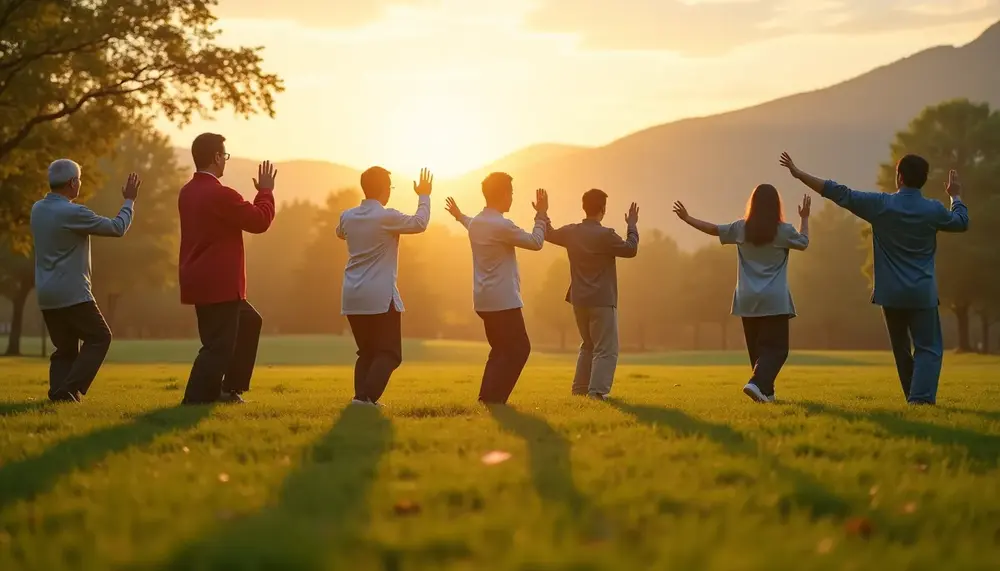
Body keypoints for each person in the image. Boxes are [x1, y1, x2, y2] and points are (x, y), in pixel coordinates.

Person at [780, 152, 968, 405]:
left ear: (899, 177)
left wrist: (799, 174)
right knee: (928, 348)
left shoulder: (880, 205)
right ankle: (920, 399)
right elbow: (961, 222)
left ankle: (915, 398)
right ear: (923, 179)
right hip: (922, 292)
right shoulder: (933, 209)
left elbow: (839, 193)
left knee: (901, 349)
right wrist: (955, 195)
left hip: (890, 293)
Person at [673, 185, 810, 403]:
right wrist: (805, 218)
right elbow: (804, 243)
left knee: (757, 350)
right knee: (777, 349)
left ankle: (767, 394)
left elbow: (713, 229)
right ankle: (757, 384)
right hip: (774, 299)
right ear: (776, 205)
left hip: (747, 298)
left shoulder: (741, 228)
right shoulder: (782, 230)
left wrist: (688, 218)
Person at [178, 133, 277, 405]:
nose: (226, 161)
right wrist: (265, 191)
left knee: (248, 322)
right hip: (220, 283)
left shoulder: (187, 192)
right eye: (225, 155)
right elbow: (259, 221)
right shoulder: (220, 194)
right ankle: (196, 399)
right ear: (217, 157)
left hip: (198, 278)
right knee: (217, 346)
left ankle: (230, 389)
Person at [30, 159, 140, 402]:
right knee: (100, 337)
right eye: (79, 179)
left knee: (65, 349)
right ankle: (69, 389)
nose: (80, 183)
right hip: (72, 292)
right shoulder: (73, 212)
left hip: (46, 294)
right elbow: (117, 227)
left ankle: (59, 395)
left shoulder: (37, 209)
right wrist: (129, 201)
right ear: (72, 183)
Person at [445, 173, 548, 404]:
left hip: (483, 300)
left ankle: (487, 399)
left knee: (500, 350)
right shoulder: (502, 225)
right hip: (503, 300)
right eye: (510, 193)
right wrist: (541, 215)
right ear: (502, 194)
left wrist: (459, 215)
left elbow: (468, 222)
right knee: (520, 348)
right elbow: (536, 242)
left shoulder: (478, 223)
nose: (512, 197)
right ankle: (495, 400)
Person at [337, 167, 433, 406]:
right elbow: (420, 223)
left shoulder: (347, 216)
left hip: (352, 294)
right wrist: (424, 196)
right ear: (382, 189)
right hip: (379, 295)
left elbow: (340, 233)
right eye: (389, 187)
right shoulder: (386, 217)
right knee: (390, 353)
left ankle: (361, 399)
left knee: (367, 352)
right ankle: (366, 398)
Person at [545, 189, 639, 400]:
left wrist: (542, 213)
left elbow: (548, 233)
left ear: (584, 207)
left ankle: (579, 390)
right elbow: (631, 249)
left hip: (579, 300)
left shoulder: (571, 232)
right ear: (603, 210)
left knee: (588, 344)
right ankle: (596, 392)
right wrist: (632, 225)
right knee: (606, 348)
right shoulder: (606, 235)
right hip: (602, 300)